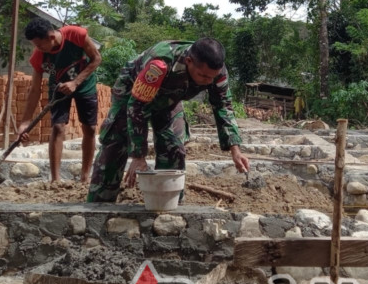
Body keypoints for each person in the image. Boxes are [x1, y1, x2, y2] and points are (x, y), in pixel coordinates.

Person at [86, 38, 250, 202]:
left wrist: (235, 149)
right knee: (116, 142)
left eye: (211, 78)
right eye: (203, 76)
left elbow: (223, 106)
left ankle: (166, 204)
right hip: (132, 93)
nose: (208, 82)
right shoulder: (160, 63)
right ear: (188, 61)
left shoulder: (217, 71)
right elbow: (137, 107)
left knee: (173, 146)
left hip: (170, 98)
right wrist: (138, 156)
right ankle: (98, 205)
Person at [18, 18, 102, 185]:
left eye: (40, 45)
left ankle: (85, 176)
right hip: (58, 87)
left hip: (84, 84)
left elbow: (96, 59)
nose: (38, 49)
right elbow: (34, 90)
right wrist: (25, 122)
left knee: (90, 128)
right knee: (57, 127)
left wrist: (75, 82)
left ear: (51, 36)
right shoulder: (38, 56)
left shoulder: (76, 35)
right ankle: (55, 180)